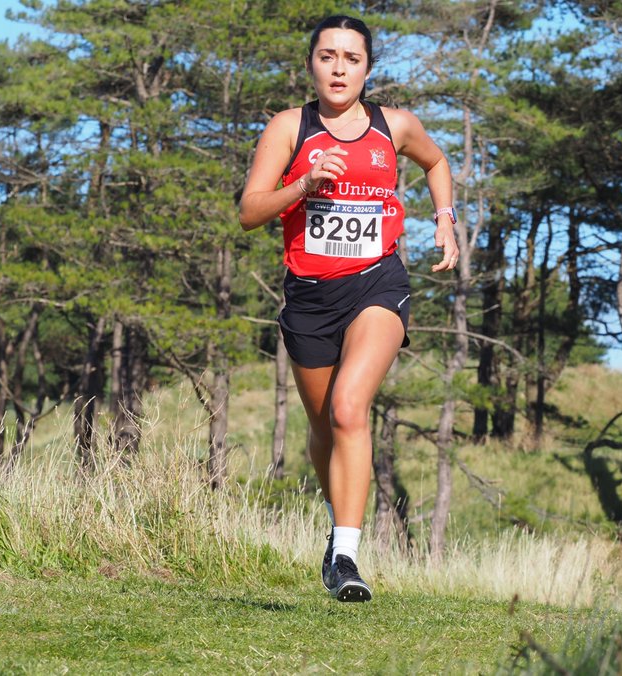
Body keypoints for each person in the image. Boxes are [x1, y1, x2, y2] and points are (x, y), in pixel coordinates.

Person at [238, 15, 458, 602]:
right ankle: (338, 530)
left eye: (351, 58)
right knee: (323, 429)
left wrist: (445, 220)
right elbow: (250, 211)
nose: (338, 68)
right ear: (311, 63)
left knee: (350, 407)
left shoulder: (397, 126)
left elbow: (437, 163)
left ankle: (346, 556)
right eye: (327, 56)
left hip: (376, 284)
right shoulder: (290, 127)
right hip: (310, 298)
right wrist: (303, 186)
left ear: (368, 67)